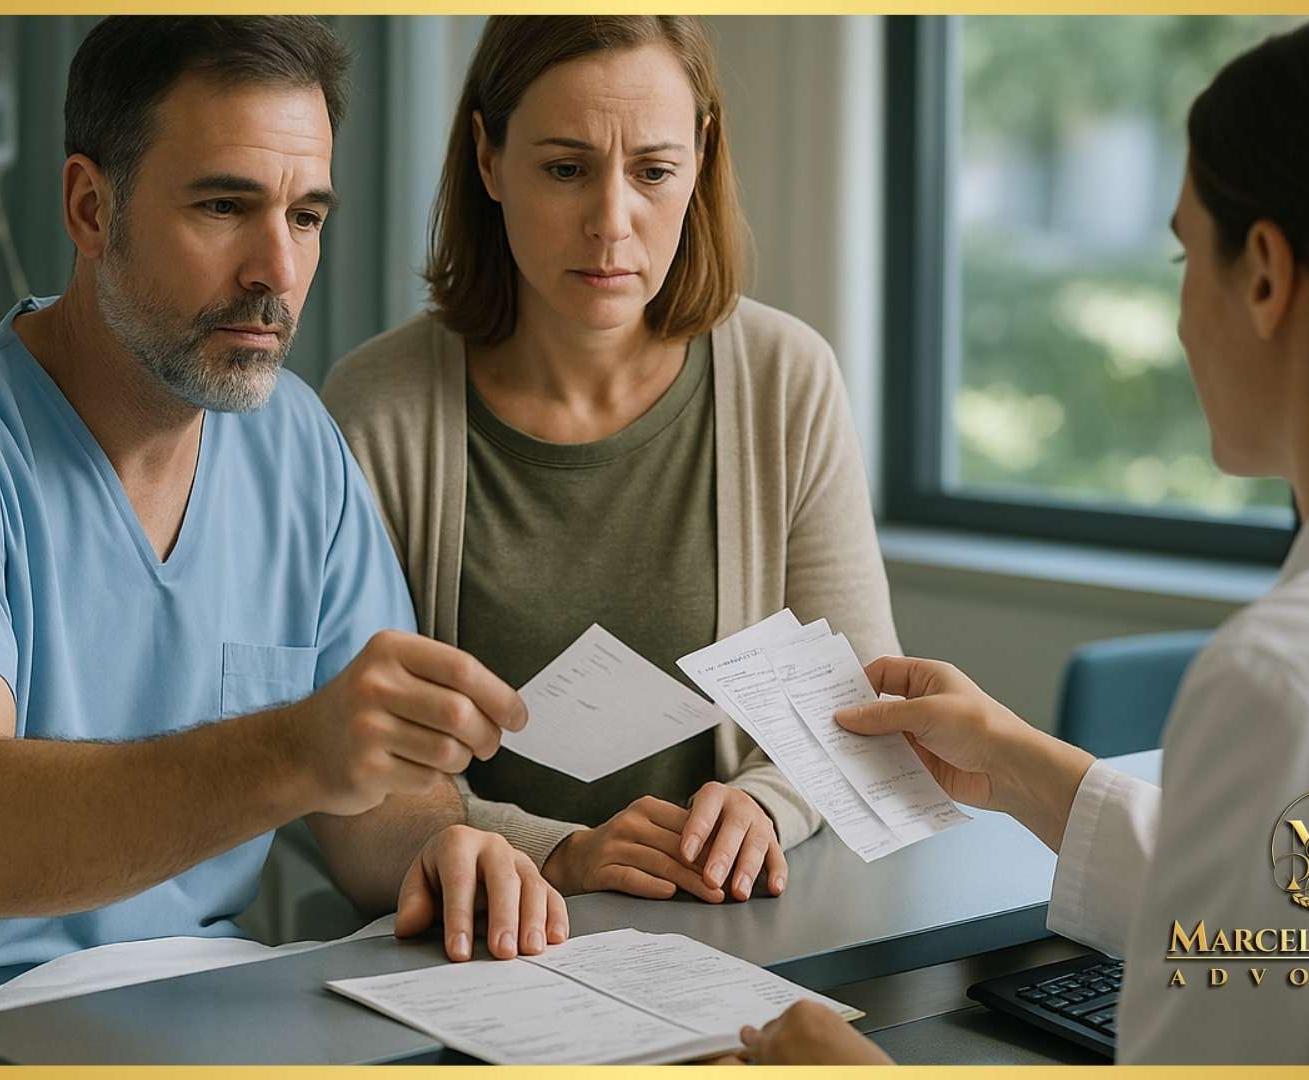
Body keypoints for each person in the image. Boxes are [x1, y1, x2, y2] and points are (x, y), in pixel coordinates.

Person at [736, 15, 1309, 1065]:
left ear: (1269, 273)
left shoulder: (1292, 676)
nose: (1185, 315)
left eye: (1187, 252)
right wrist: (1018, 767)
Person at [0, 17, 566, 1066]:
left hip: (196, 993)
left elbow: (371, 802)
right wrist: (293, 748)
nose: (277, 269)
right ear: (89, 206)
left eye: (307, 216)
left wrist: (443, 845)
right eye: (225, 205)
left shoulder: (295, 445)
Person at [323, 15, 897, 906]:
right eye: (564, 169)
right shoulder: (376, 410)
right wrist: (555, 853)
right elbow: (353, 768)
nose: (612, 223)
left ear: (700, 158)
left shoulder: (788, 378)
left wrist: (765, 806)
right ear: (488, 158)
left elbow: (853, 710)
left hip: (735, 925)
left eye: (654, 172)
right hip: (485, 947)